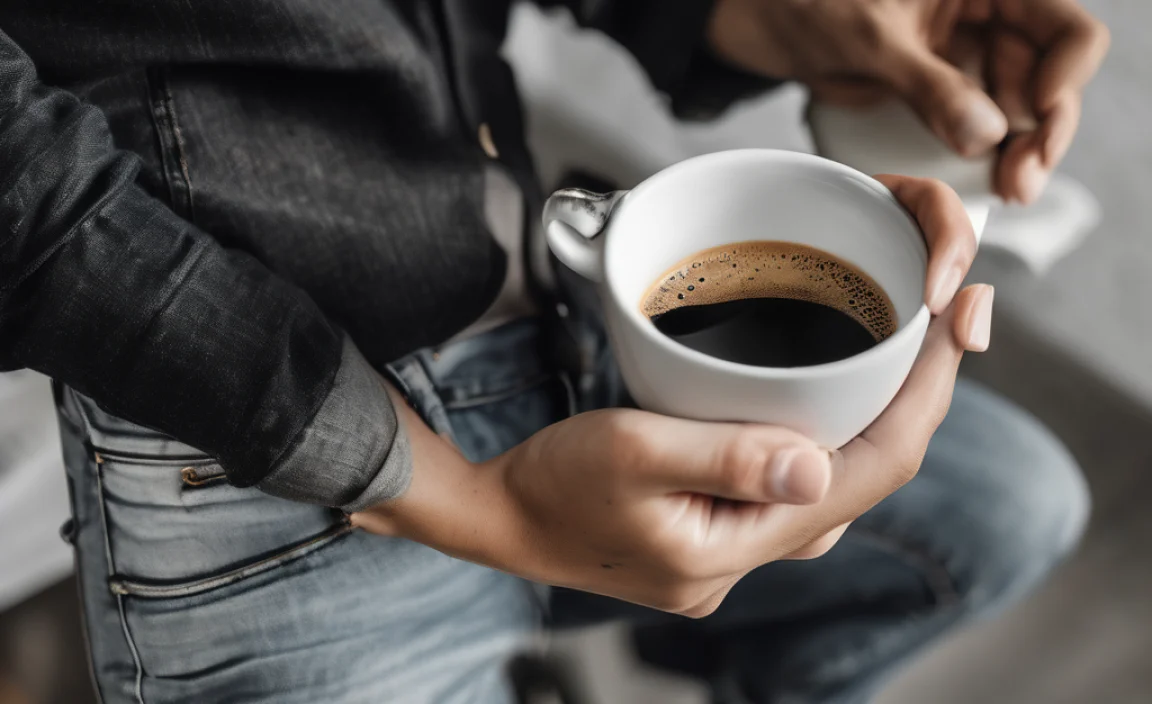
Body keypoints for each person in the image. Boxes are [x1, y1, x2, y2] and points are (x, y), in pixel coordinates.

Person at [0, 1, 1106, 702]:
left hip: (544, 333)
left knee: (1013, 503)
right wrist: (473, 506)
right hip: (256, 458)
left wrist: (764, 18)